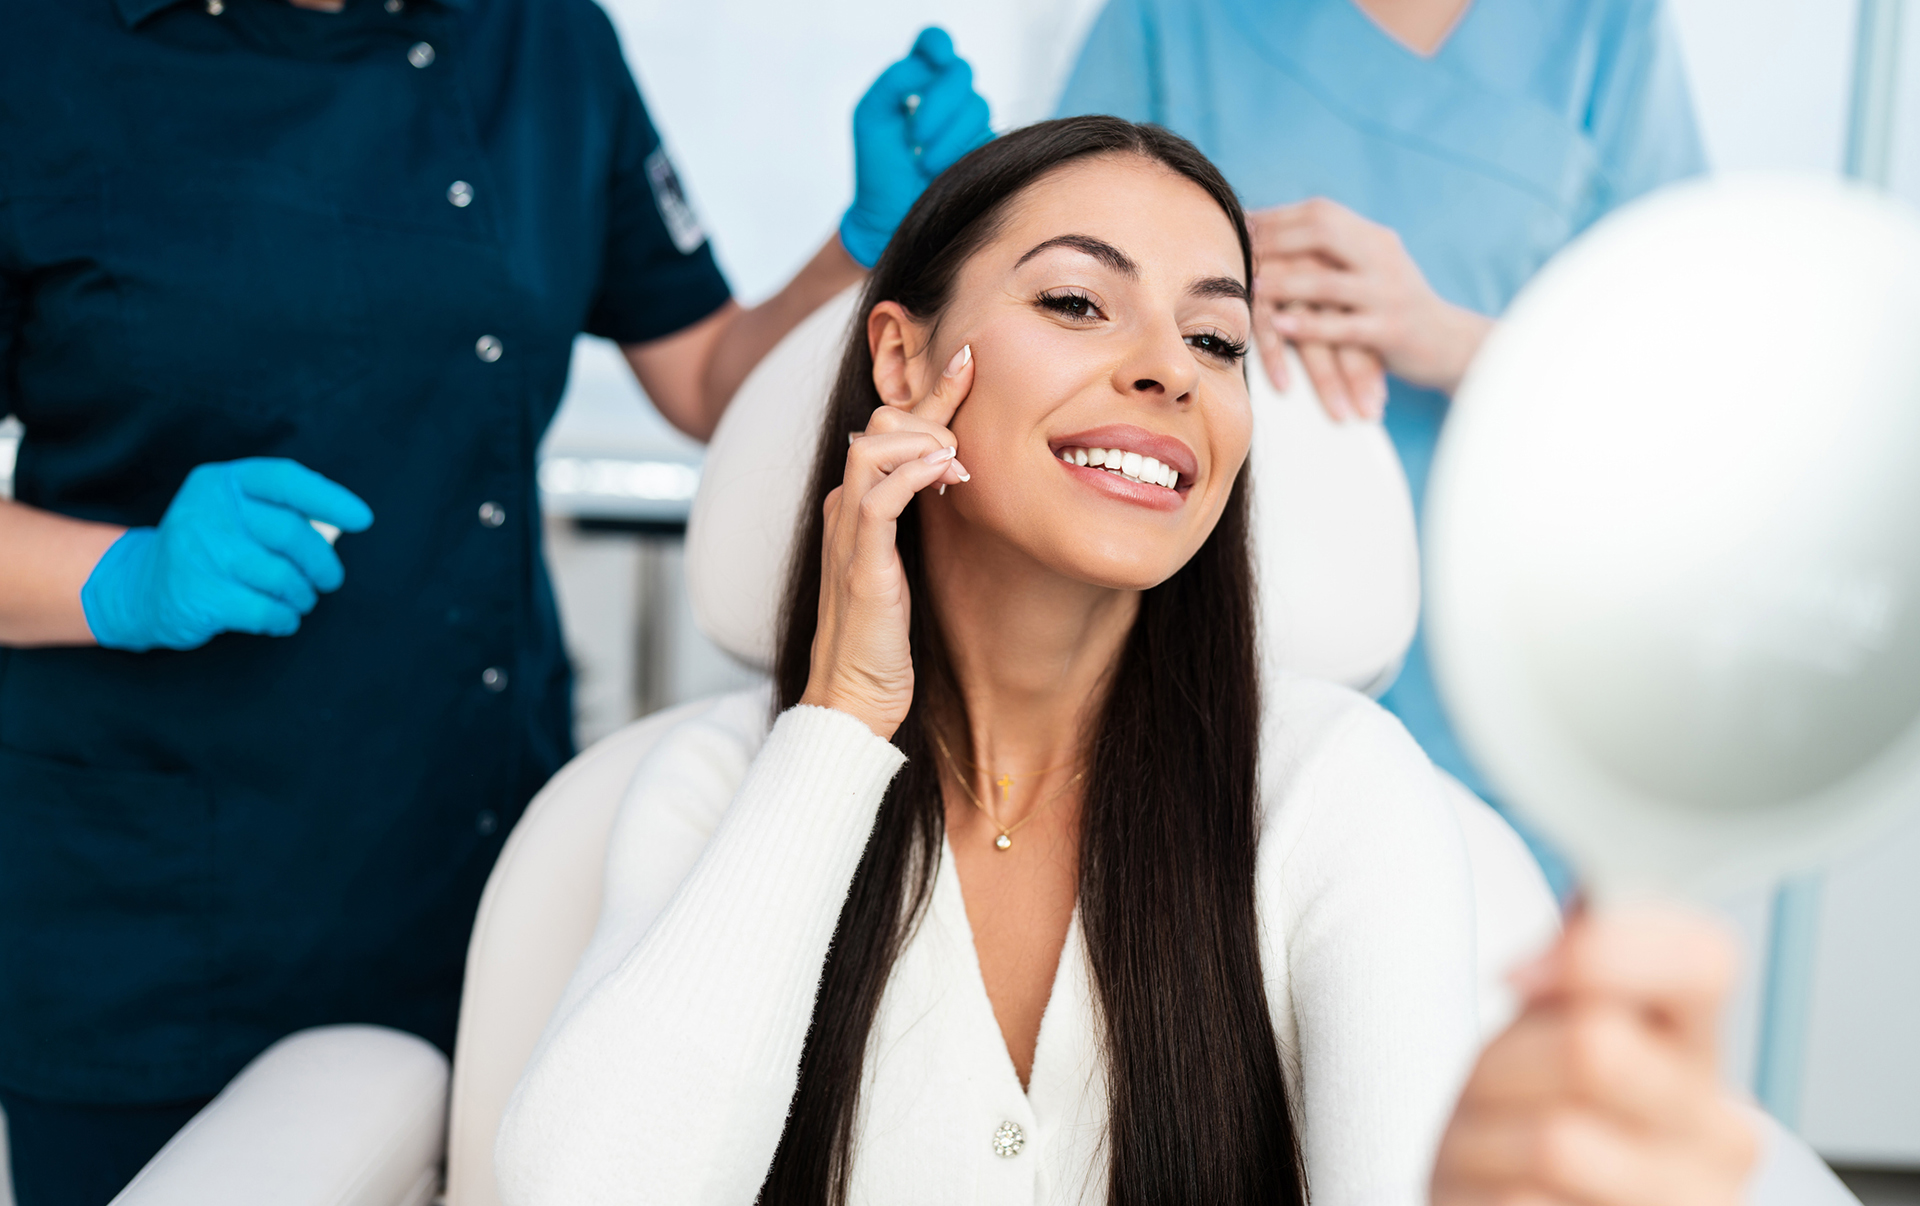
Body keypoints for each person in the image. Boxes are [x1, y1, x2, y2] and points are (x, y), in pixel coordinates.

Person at [493, 115, 1756, 1205]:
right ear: (902, 358)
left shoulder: (1333, 791)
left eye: (1217, 343)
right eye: (1076, 303)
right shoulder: (723, 785)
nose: (1167, 370)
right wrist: (840, 724)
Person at [0, 5, 988, 1201]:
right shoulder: (40, 54)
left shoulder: (542, 37)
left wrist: (869, 238)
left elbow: (708, 374)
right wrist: (124, 578)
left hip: (479, 853)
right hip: (160, 917)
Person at [1055, 0, 1708, 894]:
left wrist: (1449, 338)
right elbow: (1047, 290)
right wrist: (1201, 291)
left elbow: (1693, 408)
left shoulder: (1604, 34)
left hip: (1497, 715)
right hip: (1185, 691)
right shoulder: (1173, 20)